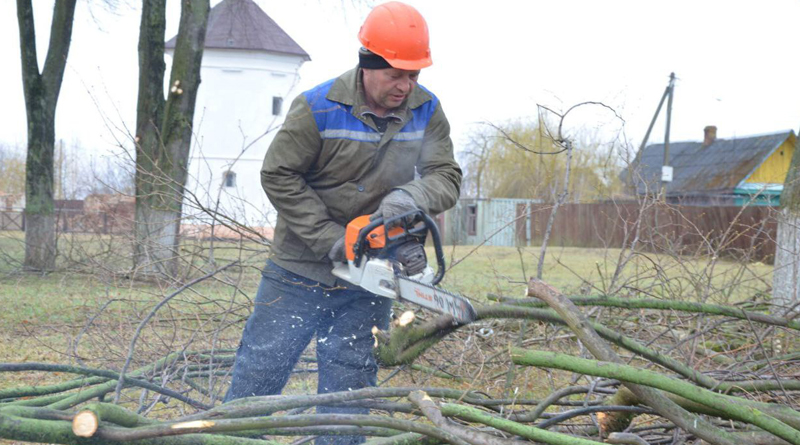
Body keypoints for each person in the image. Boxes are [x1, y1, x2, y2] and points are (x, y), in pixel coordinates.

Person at [223, 2, 462, 444]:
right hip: (297, 268)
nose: (405, 85)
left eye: (413, 75)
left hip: (370, 278)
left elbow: (446, 176)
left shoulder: (426, 109)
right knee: (260, 373)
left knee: (349, 389)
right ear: (367, 65)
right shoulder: (317, 108)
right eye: (396, 74)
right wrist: (329, 238)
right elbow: (278, 174)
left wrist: (409, 198)